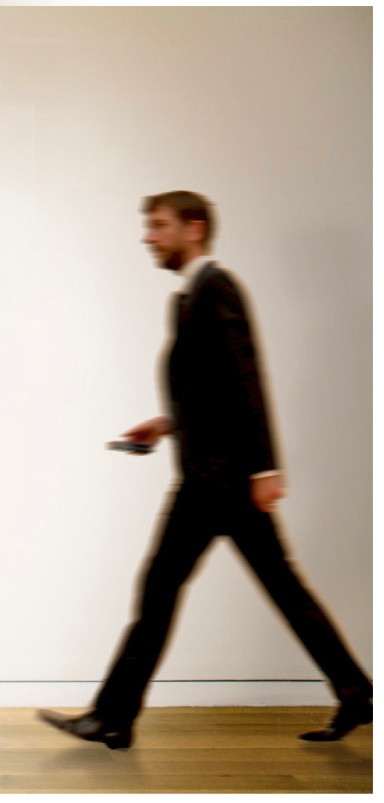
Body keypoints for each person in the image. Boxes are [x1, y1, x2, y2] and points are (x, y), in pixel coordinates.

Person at [38, 191, 372, 750]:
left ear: (194, 229)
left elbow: (247, 379)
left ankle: (113, 716)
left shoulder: (217, 287)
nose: (149, 237)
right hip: (213, 475)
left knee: (162, 590)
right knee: (279, 590)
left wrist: (266, 468)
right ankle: (357, 693)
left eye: (159, 226)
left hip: (221, 481)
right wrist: (167, 424)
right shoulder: (187, 299)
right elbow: (213, 389)